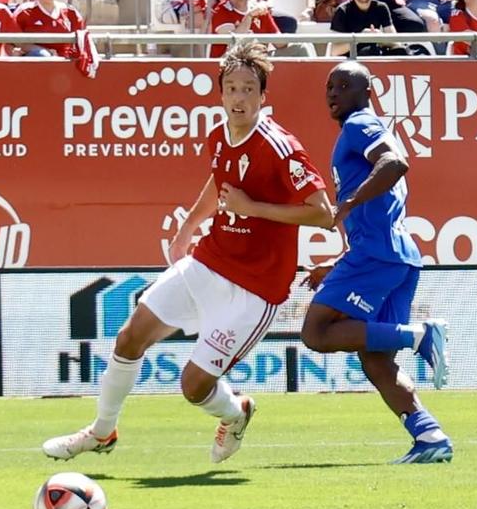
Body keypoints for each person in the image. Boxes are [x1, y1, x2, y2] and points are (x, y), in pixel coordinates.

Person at [43, 43, 332, 464]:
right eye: (231, 88)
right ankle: (101, 432)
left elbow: (323, 214)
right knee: (129, 336)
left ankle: (236, 414)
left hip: (255, 288)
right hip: (208, 262)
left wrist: (253, 210)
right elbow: (220, 187)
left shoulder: (279, 146)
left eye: (249, 89)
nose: (239, 98)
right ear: (219, 94)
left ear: (263, 97)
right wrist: (189, 226)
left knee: (193, 386)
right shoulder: (219, 137)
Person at [297, 61, 451, 462]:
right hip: (394, 256)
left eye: (344, 84)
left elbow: (395, 162)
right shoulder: (359, 129)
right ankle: (430, 437)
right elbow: (382, 210)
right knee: (375, 359)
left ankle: (417, 335)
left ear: (367, 92)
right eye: (329, 86)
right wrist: (336, 264)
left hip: (379, 255)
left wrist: (350, 199)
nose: (333, 92)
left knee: (316, 331)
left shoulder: (359, 124)